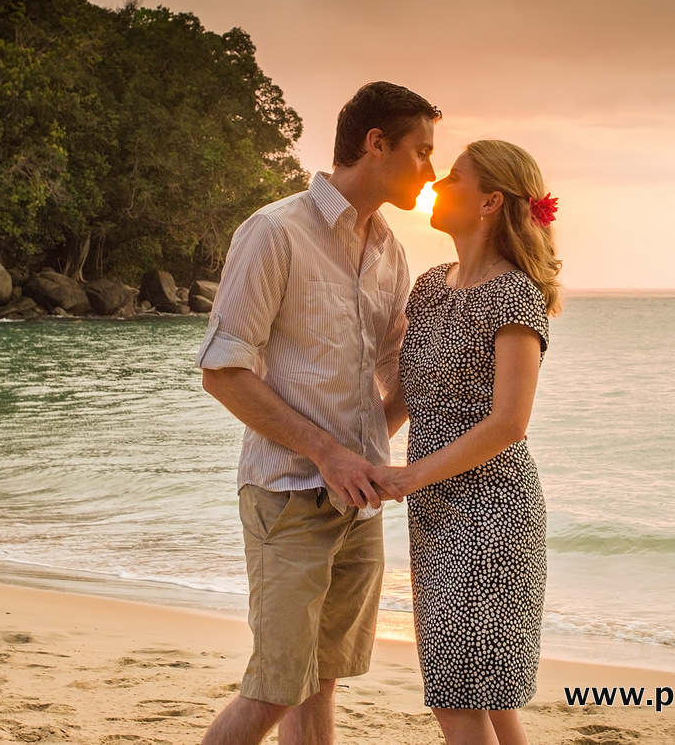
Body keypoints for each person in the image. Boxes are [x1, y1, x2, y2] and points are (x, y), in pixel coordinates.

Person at [196, 81, 440, 745]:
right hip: (287, 497)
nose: (431, 168)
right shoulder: (275, 232)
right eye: (421, 151)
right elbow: (222, 372)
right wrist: (328, 453)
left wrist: (469, 366)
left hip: (359, 503)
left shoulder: (389, 250)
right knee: (275, 688)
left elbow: (395, 376)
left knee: (320, 681)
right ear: (376, 143)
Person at [382, 139, 561, 745]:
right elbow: (407, 395)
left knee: (460, 696)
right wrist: (346, 453)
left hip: (492, 513)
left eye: (453, 177)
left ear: (490, 202)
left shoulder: (514, 295)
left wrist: (407, 477)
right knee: (480, 695)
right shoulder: (431, 286)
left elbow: (509, 423)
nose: (437, 184)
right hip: (434, 514)